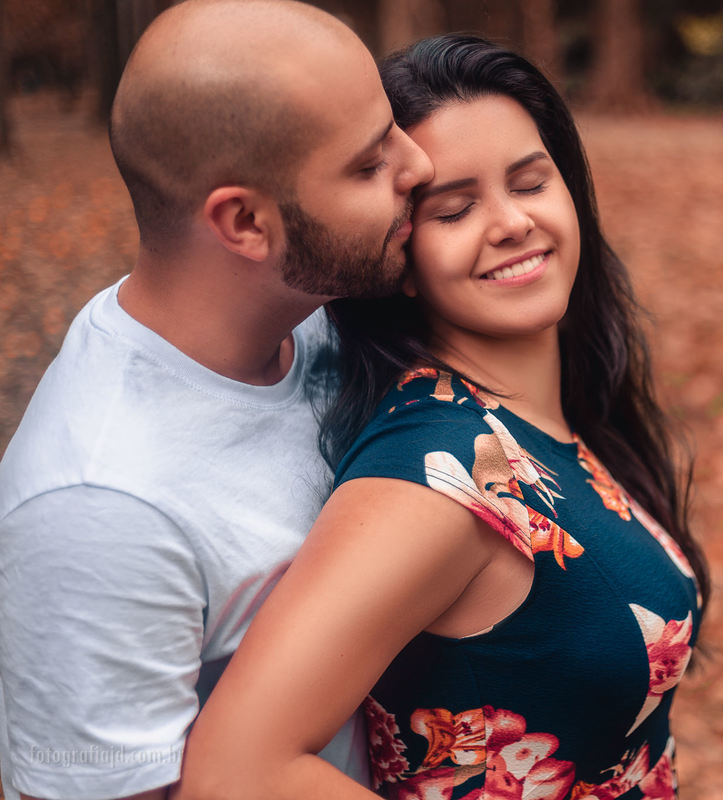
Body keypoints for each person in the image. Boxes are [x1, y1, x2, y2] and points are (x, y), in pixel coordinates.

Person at [174, 35, 711, 800]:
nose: (510, 223)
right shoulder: (439, 473)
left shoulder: (541, 421)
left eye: (530, 184)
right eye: (455, 209)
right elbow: (235, 772)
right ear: (401, 255)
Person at [0, 2, 433, 798]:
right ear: (244, 223)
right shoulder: (103, 507)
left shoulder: (319, 319)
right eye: (369, 167)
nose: (419, 167)